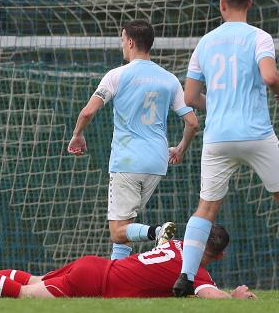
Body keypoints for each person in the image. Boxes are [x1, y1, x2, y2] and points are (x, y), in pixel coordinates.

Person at [175, 0, 279, 296]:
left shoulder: (205, 44)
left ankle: (185, 277)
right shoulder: (259, 37)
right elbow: (269, 76)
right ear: (249, 4)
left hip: (218, 138)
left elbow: (190, 96)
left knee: (206, 209)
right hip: (256, 134)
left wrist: (219, 104)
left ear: (221, 5)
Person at [68, 20, 198, 259]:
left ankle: (157, 231)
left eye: (122, 40)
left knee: (118, 231)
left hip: (128, 162)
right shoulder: (169, 79)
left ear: (129, 42)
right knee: (126, 227)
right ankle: (118, 284)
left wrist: (77, 135)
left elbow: (87, 112)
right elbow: (192, 122)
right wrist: (180, 148)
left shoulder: (117, 75)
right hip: (157, 163)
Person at [0, 225, 255, 300]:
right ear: (221, 254)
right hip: (94, 282)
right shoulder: (195, 272)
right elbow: (212, 296)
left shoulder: (180, 244)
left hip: (93, 266)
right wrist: (236, 297)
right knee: (27, 295)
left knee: (32, 281)